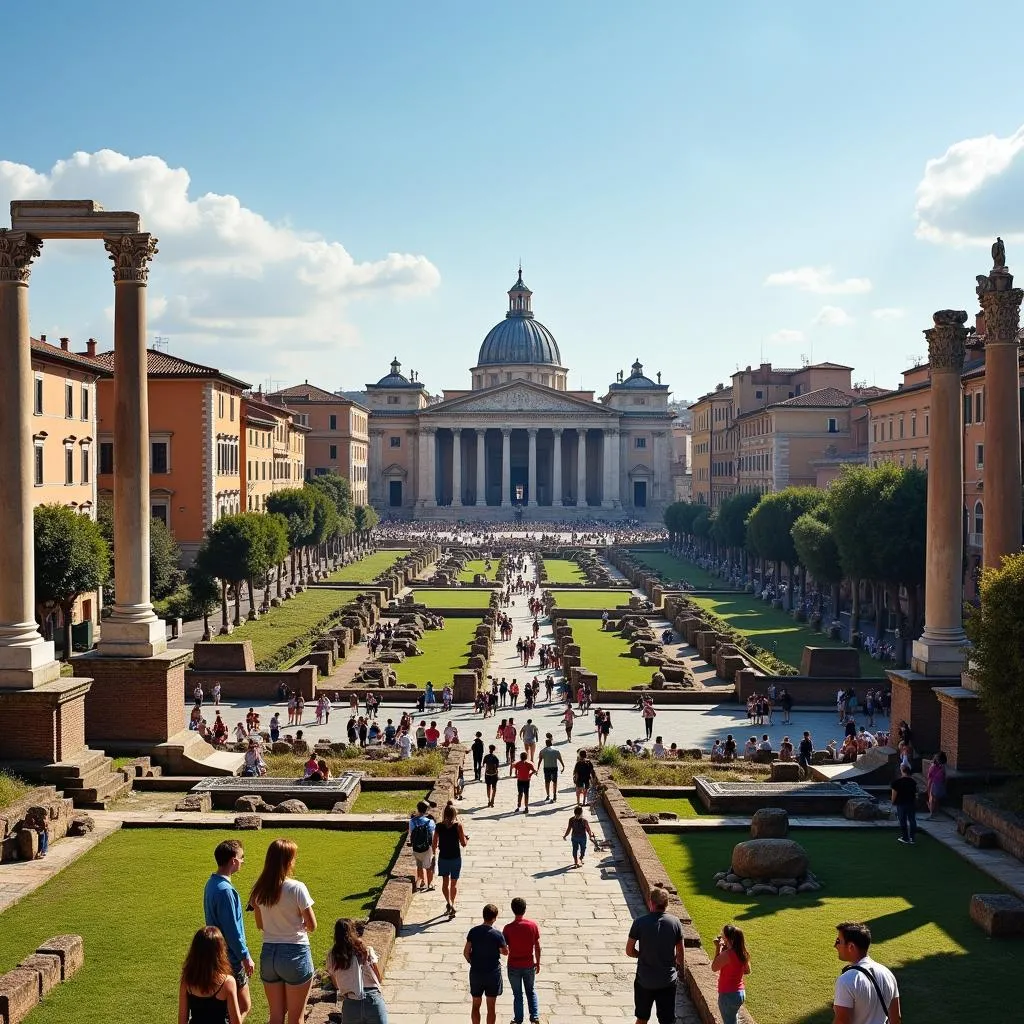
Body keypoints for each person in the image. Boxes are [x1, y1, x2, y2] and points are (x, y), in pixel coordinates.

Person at [249, 838, 317, 1024]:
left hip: (269, 954)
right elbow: (312, 925)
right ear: (287, 861)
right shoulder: (296, 888)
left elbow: (260, 925)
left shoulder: (259, 889)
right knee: (296, 1018)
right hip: (295, 952)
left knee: (276, 1017)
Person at [204, 840, 255, 1019]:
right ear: (233, 860)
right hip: (230, 958)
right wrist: (245, 956)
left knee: (230, 1009)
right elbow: (232, 930)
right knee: (242, 1006)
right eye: (241, 858)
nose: (243, 861)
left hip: (217, 954)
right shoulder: (226, 891)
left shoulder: (211, 884)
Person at [626, 886, 685, 1024]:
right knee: (667, 1020)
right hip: (667, 980)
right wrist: (678, 970)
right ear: (667, 904)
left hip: (644, 980)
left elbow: (629, 950)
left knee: (642, 1018)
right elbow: (681, 953)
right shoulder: (675, 923)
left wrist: (641, 955)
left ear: (651, 903)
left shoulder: (639, 923)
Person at [833, 921, 901, 1024]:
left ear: (851, 946)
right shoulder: (888, 974)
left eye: (839, 941)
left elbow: (842, 1022)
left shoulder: (847, 980)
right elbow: (896, 1019)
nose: (835, 946)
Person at [325, 918, 389, 1024]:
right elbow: (378, 977)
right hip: (373, 1000)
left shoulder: (332, 956)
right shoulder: (366, 950)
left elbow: (336, 985)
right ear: (353, 931)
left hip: (351, 1004)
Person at [178, 926, 244, 1024]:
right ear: (220, 951)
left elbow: (182, 1020)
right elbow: (236, 1022)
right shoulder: (227, 982)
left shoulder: (187, 980)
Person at [464, 903, 508, 1024]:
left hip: (477, 972)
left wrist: (472, 962)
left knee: (476, 1004)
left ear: (483, 916)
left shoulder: (473, 931)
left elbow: (466, 952)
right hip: (492, 973)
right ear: (495, 918)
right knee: (491, 1007)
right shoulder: (497, 935)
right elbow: (505, 952)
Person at [502, 897, 541, 1024]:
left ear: (512, 910)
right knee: (531, 991)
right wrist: (538, 962)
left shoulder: (508, 928)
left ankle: (518, 1019)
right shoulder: (532, 926)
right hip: (529, 964)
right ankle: (534, 1016)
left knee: (517, 994)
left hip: (514, 965)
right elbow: (537, 947)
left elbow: (504, 949)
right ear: (525, 909)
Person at [433, 801, 469, 917]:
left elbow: (434, 843)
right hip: (455, 858)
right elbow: (463, 843)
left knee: (445, 882)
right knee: (453, 884)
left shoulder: (439, 826)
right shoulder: (457, 826)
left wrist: (434, 855)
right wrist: (466, 838)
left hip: (443, 858)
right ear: (454, 813)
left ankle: (448, 903)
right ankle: (453, 904)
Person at [711, 924, 750, 1024]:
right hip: (740, 994)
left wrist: (718, 948)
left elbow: (714, 967)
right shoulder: (742, 952)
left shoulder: (727, 954)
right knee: (733, 1019)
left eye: (723, 934)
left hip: (727, 996)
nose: (721, 936)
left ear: (728, 938)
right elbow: (747, 971)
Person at [408, 801, 436, 893]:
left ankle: (422, 881)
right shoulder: (430, 821)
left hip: (416, 847)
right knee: (428, 866)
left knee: (419, 865)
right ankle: (430, 883)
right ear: (426, 810)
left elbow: (411, 833)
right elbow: (432, 834)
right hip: (427, 848)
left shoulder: (412, 821)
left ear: (418, 809)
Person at [890, 763, 918, 845]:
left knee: (902, 820)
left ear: (902, 771)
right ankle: (912, 838)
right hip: (911, 803)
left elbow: (894, 794)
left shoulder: (897, 782)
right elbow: (915, 793)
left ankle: (905, 837)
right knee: (912, 820)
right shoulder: (913, 782)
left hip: (901, 803)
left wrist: (892, 802)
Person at [537, 735, 565, 802]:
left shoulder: (542, 751)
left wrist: (537, 769)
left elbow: (540, 761)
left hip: (546, 768)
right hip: (554, 767)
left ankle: (548, 795)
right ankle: (554, 794)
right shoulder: (556, 751)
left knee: (547, 782)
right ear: (551, 743)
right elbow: (560, 759)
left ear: (546, 744)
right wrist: (563, 766)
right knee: (554, 782)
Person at [926, 751, 947, 818]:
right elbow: (943, 777)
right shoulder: (942, 767)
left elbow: (930, 778)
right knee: (935, 799)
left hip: (934, 784)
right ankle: (935, 811)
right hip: (939, 784)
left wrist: (928, 787)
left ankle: (932, 813)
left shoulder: (933, 767)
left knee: (932, 799)